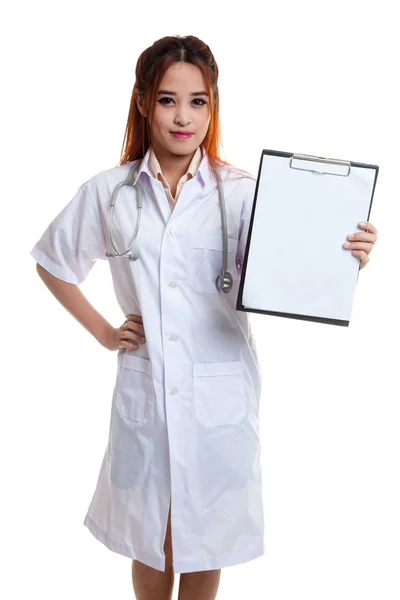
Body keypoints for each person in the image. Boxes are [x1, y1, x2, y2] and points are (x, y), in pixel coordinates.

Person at [30, 34, 378, 600]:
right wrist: (102, 331)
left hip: (217, 392)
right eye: (168, 99)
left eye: (198, 101)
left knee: (203, 539)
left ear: (212, 106)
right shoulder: (110, 193)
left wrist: (349, 256)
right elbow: (52, 262)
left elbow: (294, 269)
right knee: (155, 537)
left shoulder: (240, 193)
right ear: (144, 101)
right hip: (148, 389)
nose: (183, 116)